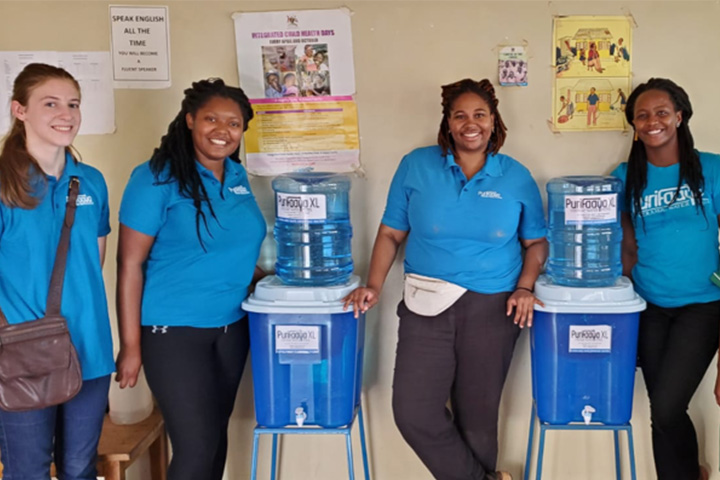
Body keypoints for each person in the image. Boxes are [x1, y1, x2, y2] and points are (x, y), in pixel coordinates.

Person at [343, 78, 547, 480]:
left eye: (480, 115)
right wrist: (374, 286)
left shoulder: (515, 176)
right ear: (448, 123)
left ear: (494, 121)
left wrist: (525, 286)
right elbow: (390, 234)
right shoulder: (416, 166)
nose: (470, 124)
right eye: (460, 115)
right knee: (413, 412)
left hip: (494, 307)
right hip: (426, 306)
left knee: (477, 421)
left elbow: (536, 244)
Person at [115, 78, 267, 480]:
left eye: (233, 123)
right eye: (211, 119)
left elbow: (229, 248)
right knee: (195, 449)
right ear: (189, 120)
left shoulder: (235, 176)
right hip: (174, 332)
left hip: (232, 328)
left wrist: (272, 280)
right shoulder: (155, 178)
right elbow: (129, 264)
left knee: (215, 441)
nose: (222, 130)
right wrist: (131, 345)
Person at [0, 63, 114, 478]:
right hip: (20, 354)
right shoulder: (4, 183)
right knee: (27, 470)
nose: (66, 114)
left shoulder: (92, 182)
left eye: (73, 104)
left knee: (80, 468)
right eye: (50, 103)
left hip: (90, 350)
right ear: (20, 110)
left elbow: (92, 261)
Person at [612, 77, 718, 480]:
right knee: (662, 409)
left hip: (703, 305)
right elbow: (624, 250)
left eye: (661, 112)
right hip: (648, 306)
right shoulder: (624, 176)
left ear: (679, 115)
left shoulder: (713, 168)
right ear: (634, 126)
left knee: (669, 406)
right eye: (642, 115)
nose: (652, 121)